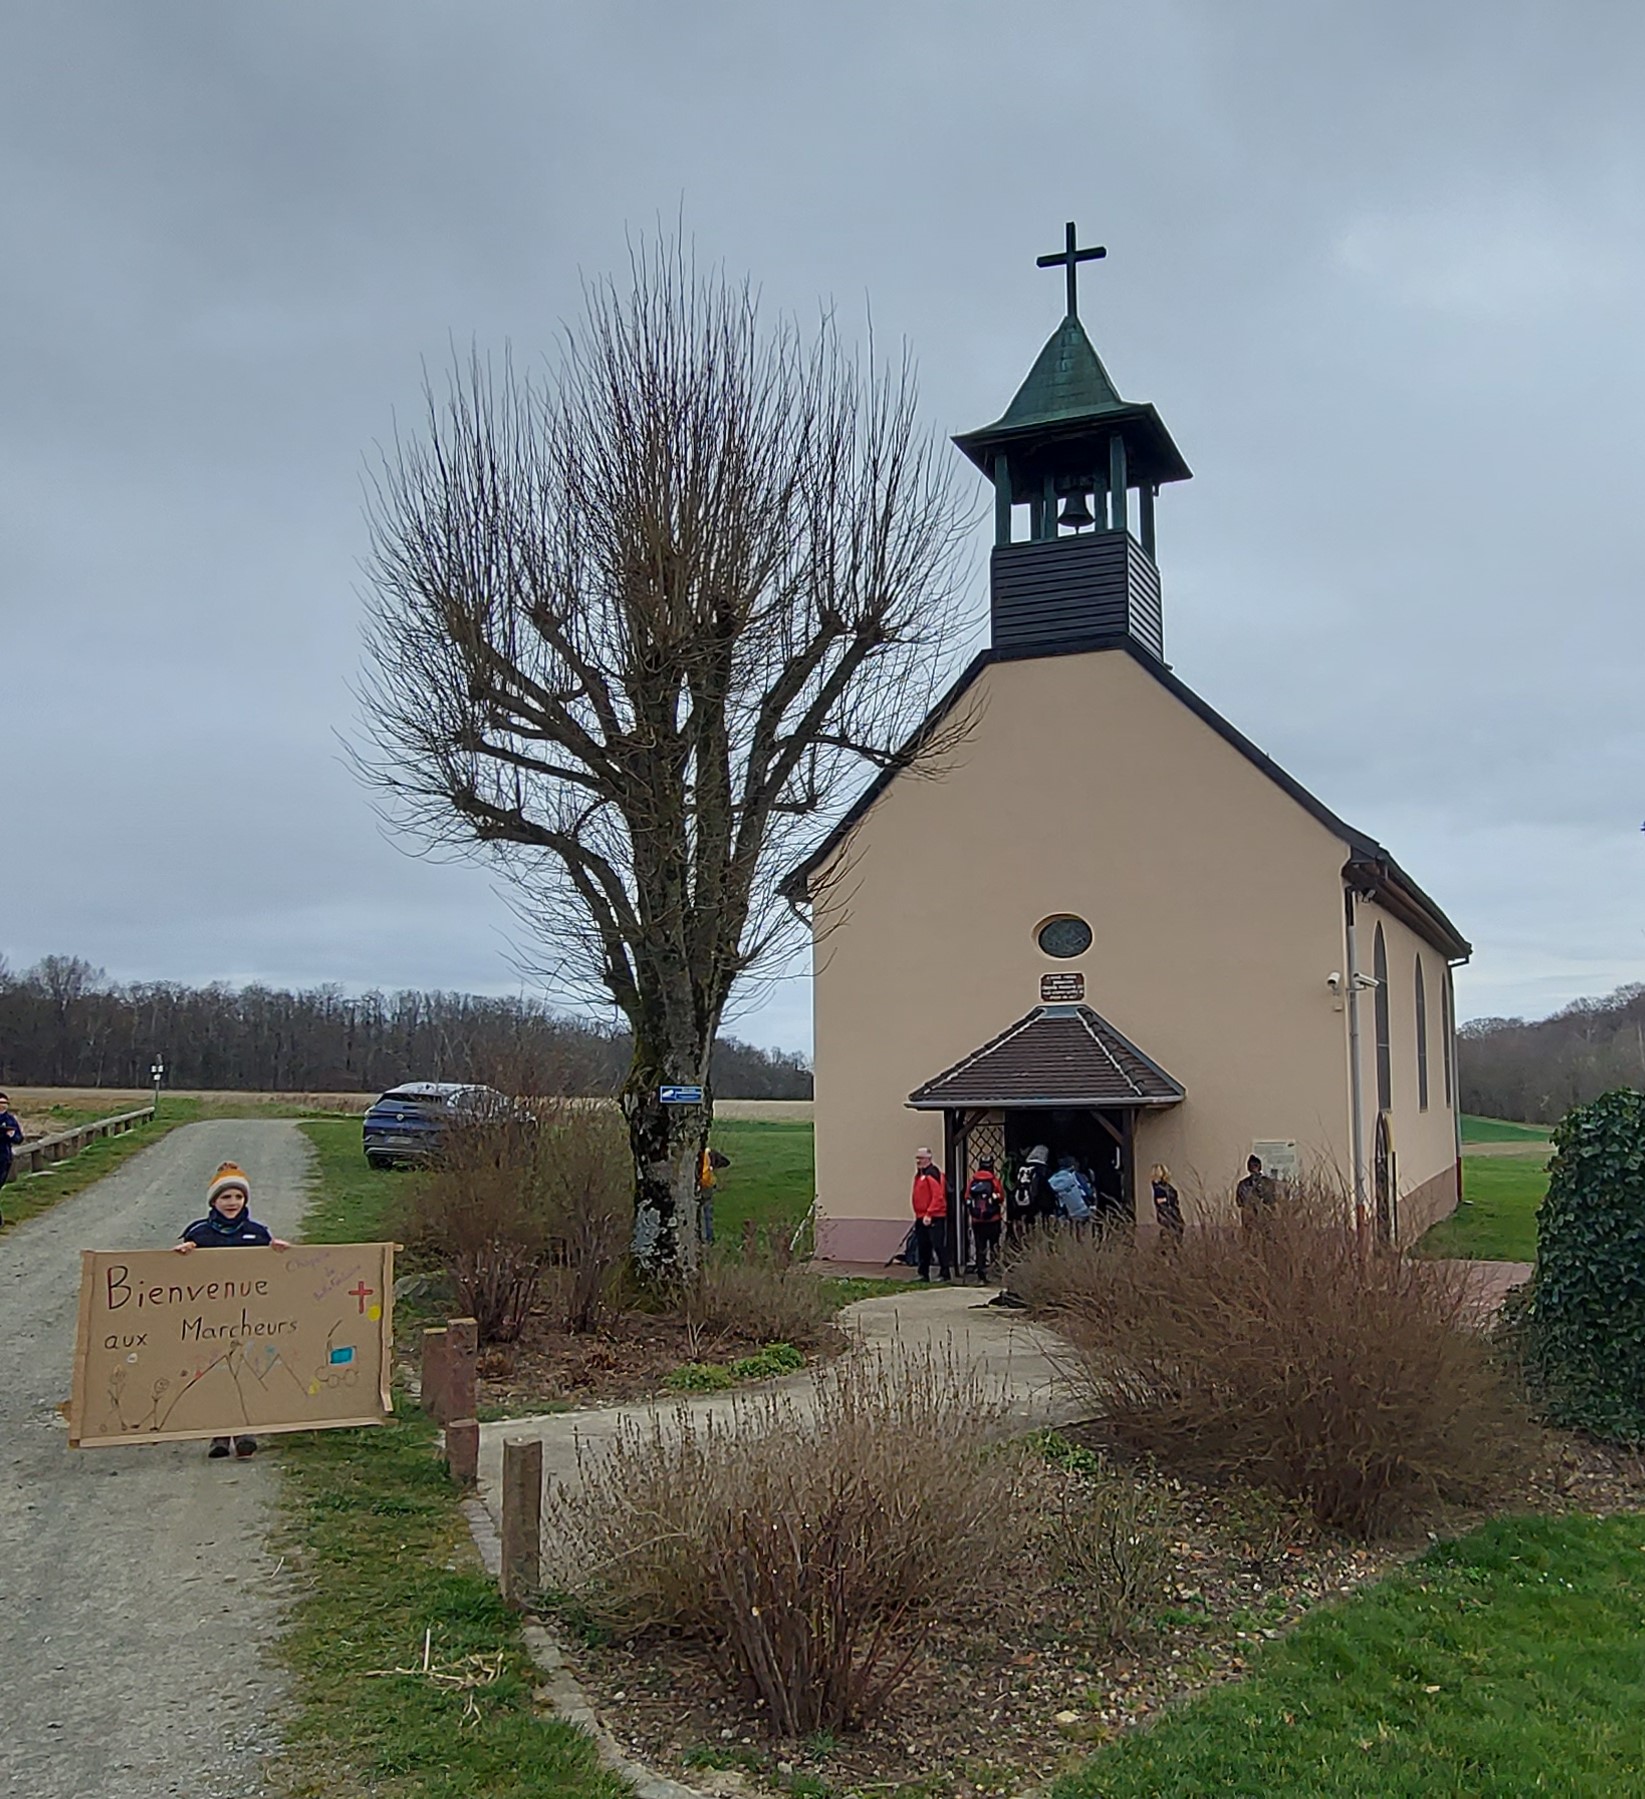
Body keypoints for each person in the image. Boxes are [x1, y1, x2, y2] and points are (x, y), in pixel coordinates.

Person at [174, 1161, 290, 1459]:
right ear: (214, 1201)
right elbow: (176, 1273)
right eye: (226, 1197)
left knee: (245, 1368)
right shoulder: (198, 1232)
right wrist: (185, 1253)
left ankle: (244, 1430)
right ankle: (219, 1435)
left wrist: (277, 1252)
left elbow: (273, 1271)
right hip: (210, 1317)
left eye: (238, 1197)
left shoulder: (257, 1232)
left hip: (248, 1316)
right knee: (216, 1371)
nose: (232, 1203)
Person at [910, 1147, 950, 1281]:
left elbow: (937, 1196)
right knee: (923, 1246)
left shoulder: (932, 1174)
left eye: (920, 1158)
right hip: (921, 1216)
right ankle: (923, 1273)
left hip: (934, 1216)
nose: (918, 1161)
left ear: (928, 1159)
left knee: (938, 1244)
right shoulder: (920, 1175)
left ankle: (945, 1272)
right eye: (917, 1158)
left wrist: (929, 1213)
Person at [964, 1156, 1005, 1283]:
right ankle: (995, 1271)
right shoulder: (994, 1180)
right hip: (993, 1219)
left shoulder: (973, 1180)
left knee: (979, 1247)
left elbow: (966, 1197)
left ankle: (981, 1274)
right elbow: (1001, 1197)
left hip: (977, 1221)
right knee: (994, 1246)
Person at [1007, 1145, 1049, 1246]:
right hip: (1035, 1203)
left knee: (1023, 1225)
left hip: (1020, 1202)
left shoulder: (1022, 1167)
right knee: (1036, 1226)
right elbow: (1045, 1187)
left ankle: (1022, 1243)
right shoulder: (1042, 1169)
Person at [698, 1144, 730, 1245]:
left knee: (700, 1214)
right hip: (707, 1185)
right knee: (707, 1214)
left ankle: (703, 1238)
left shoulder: (697, 1154)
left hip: (701, 1185)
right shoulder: (709, 1153)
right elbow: (725, 1162)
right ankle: (709, 1238)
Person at [1235, 1154, 1278, 1227]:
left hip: (1266, 1218)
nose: (1254, 1169)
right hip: (1250, 1218)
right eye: (1252, 1166)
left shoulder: (1267, 1183)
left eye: (1255, 1166)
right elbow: (1240, 1202)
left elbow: (1271, 1200)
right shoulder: (1244, 1184)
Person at [1049, 1154, 1092, 1225]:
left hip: (1067, 1213)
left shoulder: (1052, 1179)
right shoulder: (1075, 1175)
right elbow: (1088, 1192)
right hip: (1083, 1209)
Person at [0, 1092, 22, 1228]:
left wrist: (12, 1135)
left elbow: (19, 1139)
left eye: (4, 1104)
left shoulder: (10, 1120)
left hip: (3, 1158)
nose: (2, 1106)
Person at [1150, 1162, 1184, 1241]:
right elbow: (1160, 1201)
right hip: (1168, 1215)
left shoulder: (1164, 1186)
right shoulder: (1159, 1187)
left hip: (1172, 1214)